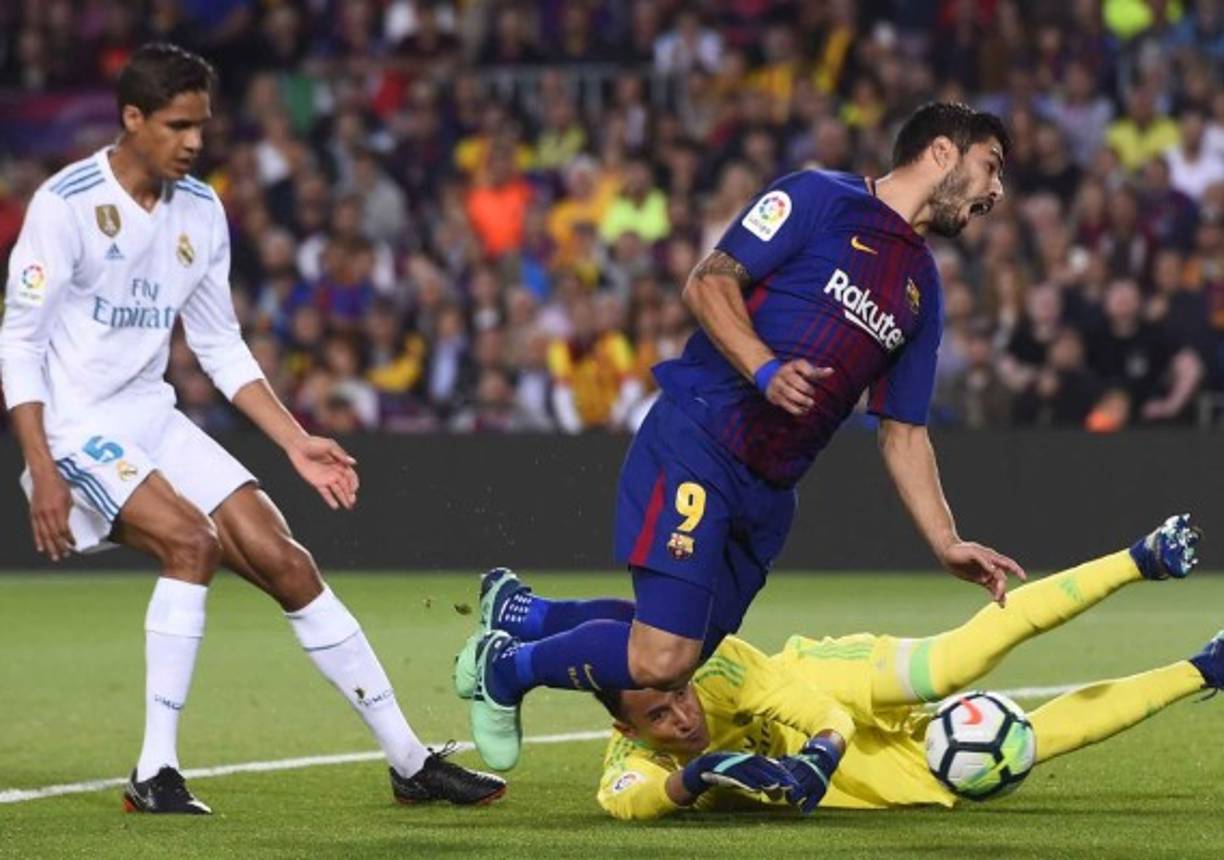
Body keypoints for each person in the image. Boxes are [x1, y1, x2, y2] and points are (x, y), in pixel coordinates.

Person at [0, 44, 503, 814]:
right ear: (132, 120)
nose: (194, 142)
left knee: (286, 560)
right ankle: (155, 771)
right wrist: (38, 462)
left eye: (202, 125)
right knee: (191, 544)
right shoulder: (65, 205)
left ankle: (408, 760)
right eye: (177, 126)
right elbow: (19, 342)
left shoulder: (200, 210)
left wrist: (294, 439)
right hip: (74, 427)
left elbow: (218, 344)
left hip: (151, 414)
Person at [456, 102, 1025, 772]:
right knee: (661, 658)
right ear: (939, 153)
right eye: (990, 167)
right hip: (703, 435)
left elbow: (903, 432)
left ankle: (525, 612)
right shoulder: (818, 197)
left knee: (682, 647)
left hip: (770, 488)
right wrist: (764, 370)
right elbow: (710, 283)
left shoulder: (921, 288)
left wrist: (945, 540)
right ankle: (508, 668)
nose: (997, 191)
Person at [493, 516, 1214, 819]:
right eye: (659, 715)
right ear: (626, 725)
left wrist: (818, 753)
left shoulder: (723, 671)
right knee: (1029, 741)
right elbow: (635, 803)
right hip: (859, 780)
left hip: (822, 686)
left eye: (677, 695)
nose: (683, 713)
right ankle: (1209, 668)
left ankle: (1139, 558)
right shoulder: (625, 762)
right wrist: (699, 776)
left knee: (952, 663)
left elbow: (820, 713)